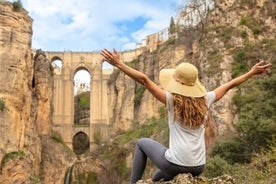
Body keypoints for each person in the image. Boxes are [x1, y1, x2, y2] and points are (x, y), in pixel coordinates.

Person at [100, 48, 272, 183]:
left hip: (175, 162)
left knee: (141, 143)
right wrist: (251, 73)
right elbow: (230, 84)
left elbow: (144, 80)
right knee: (158, 176)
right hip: (198, 166)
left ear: (179, 82)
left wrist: (119, 64)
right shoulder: (206, 99)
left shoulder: (172, 101)